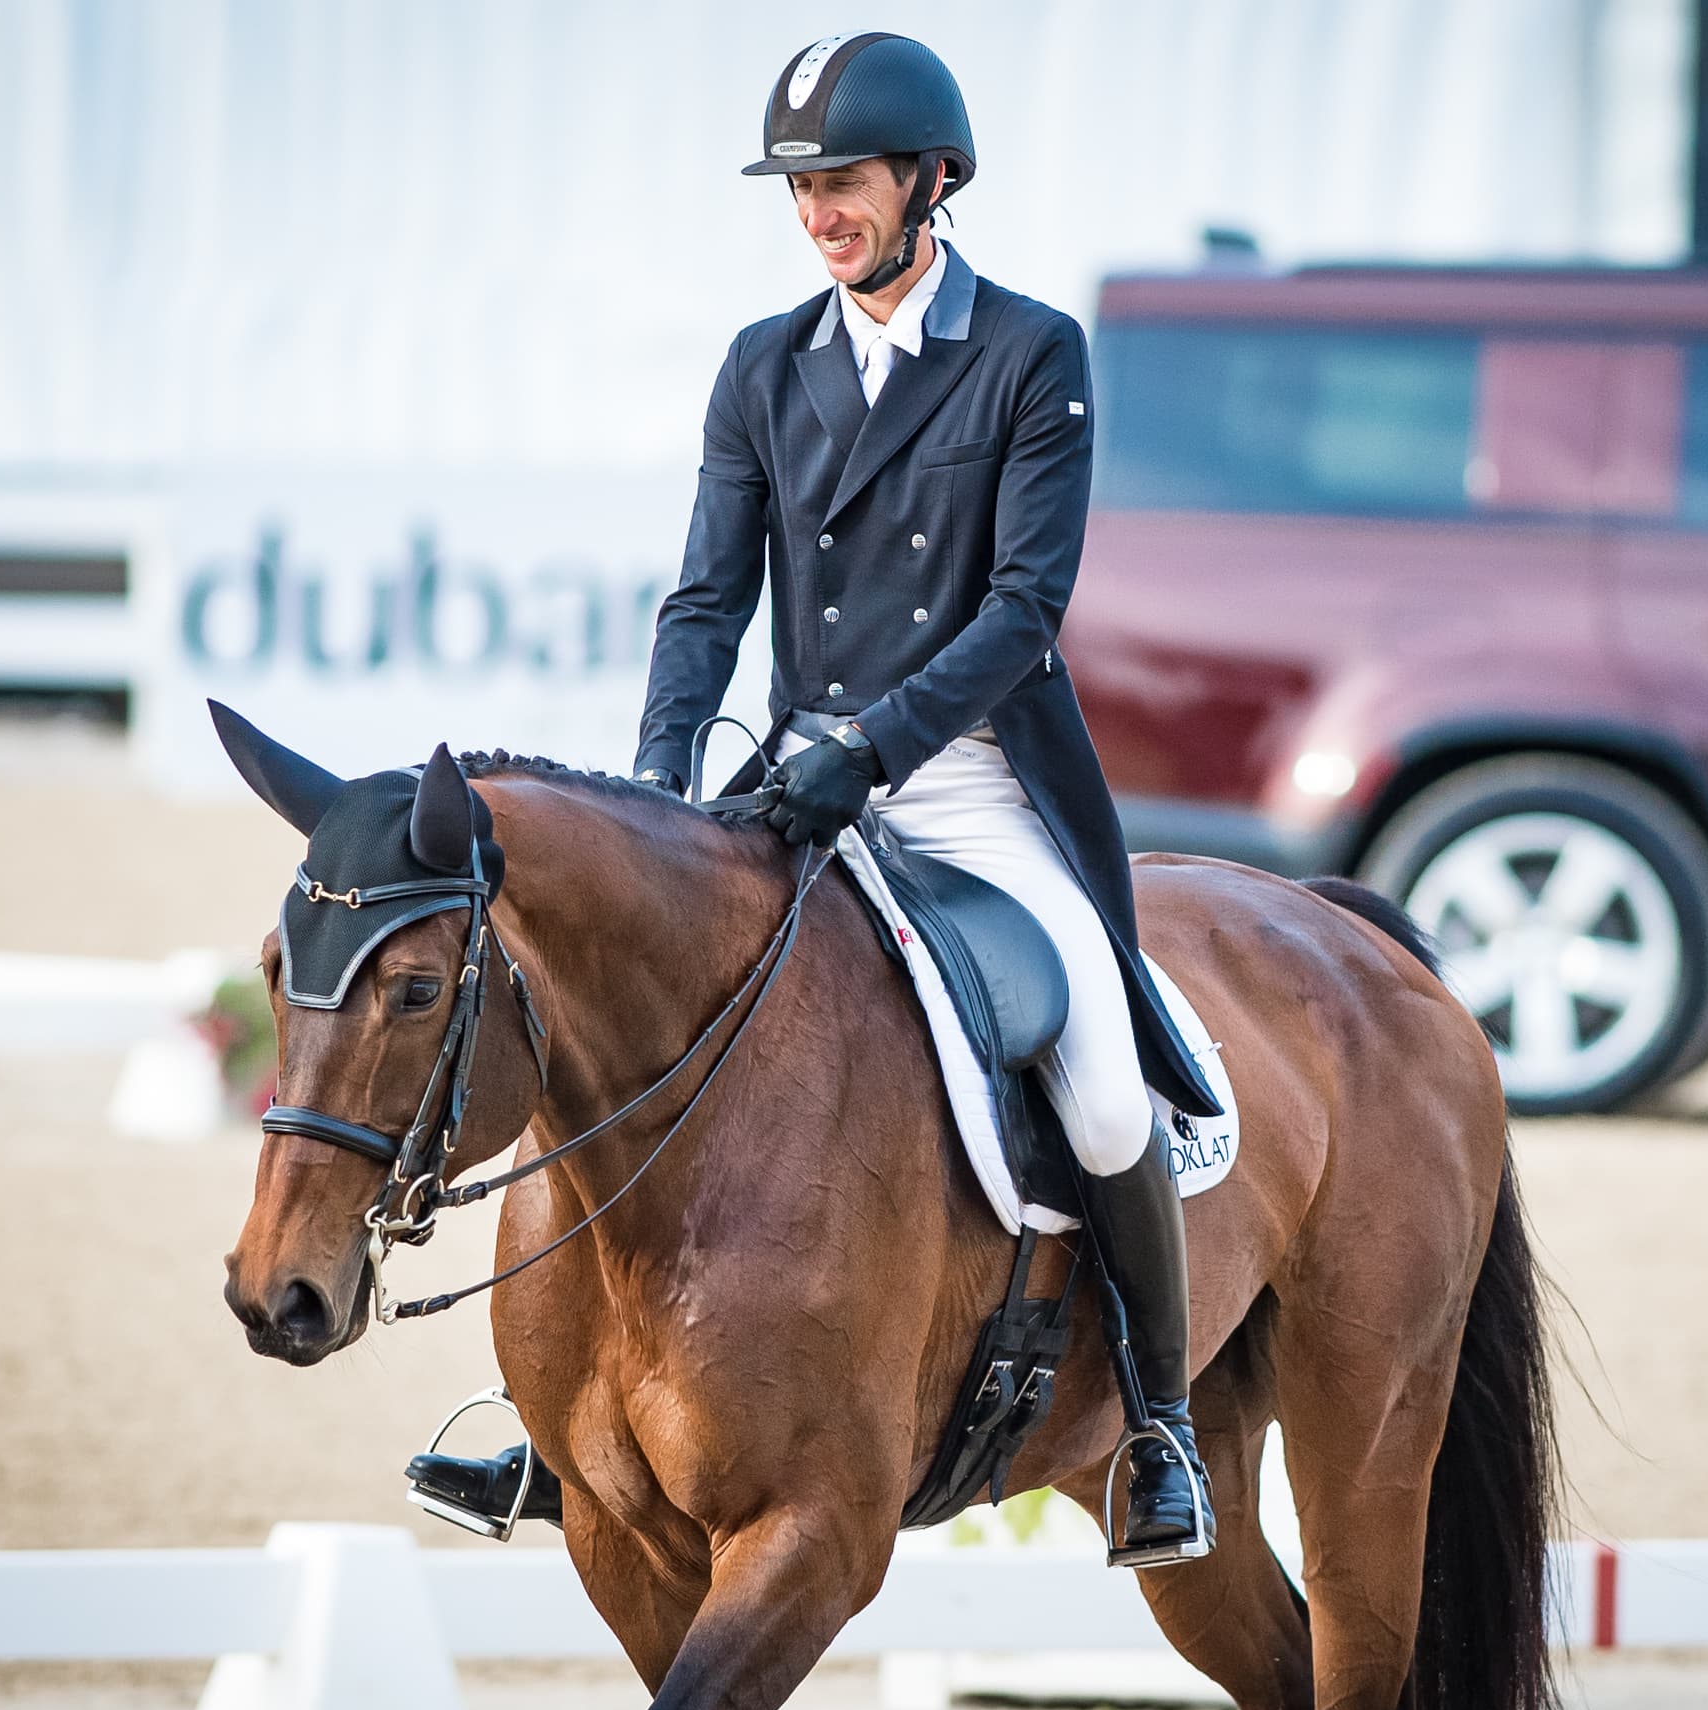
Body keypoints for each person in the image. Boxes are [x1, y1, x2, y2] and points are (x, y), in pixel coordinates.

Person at [408, 31, 1220, 1568]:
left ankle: (1164, 1425)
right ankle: (561, 1411)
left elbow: (1024, 609)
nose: (818, 212)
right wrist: (658, 785)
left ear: (929, 184)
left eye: (843, 181)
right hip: (788, 779)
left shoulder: (1030, 355)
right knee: (620, 1017)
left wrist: (879, 745)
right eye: (801, 188)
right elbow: (707, 597)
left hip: (972, 782)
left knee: (1106, 1083)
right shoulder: (763, 366)